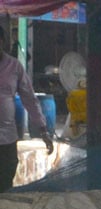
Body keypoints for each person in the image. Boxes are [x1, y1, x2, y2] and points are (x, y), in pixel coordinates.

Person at [0, 23, 52, 192]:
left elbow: (30, 99)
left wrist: (43, 130)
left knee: (5, 186)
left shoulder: (14, 66)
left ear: (3, 42)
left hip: (6, 140)